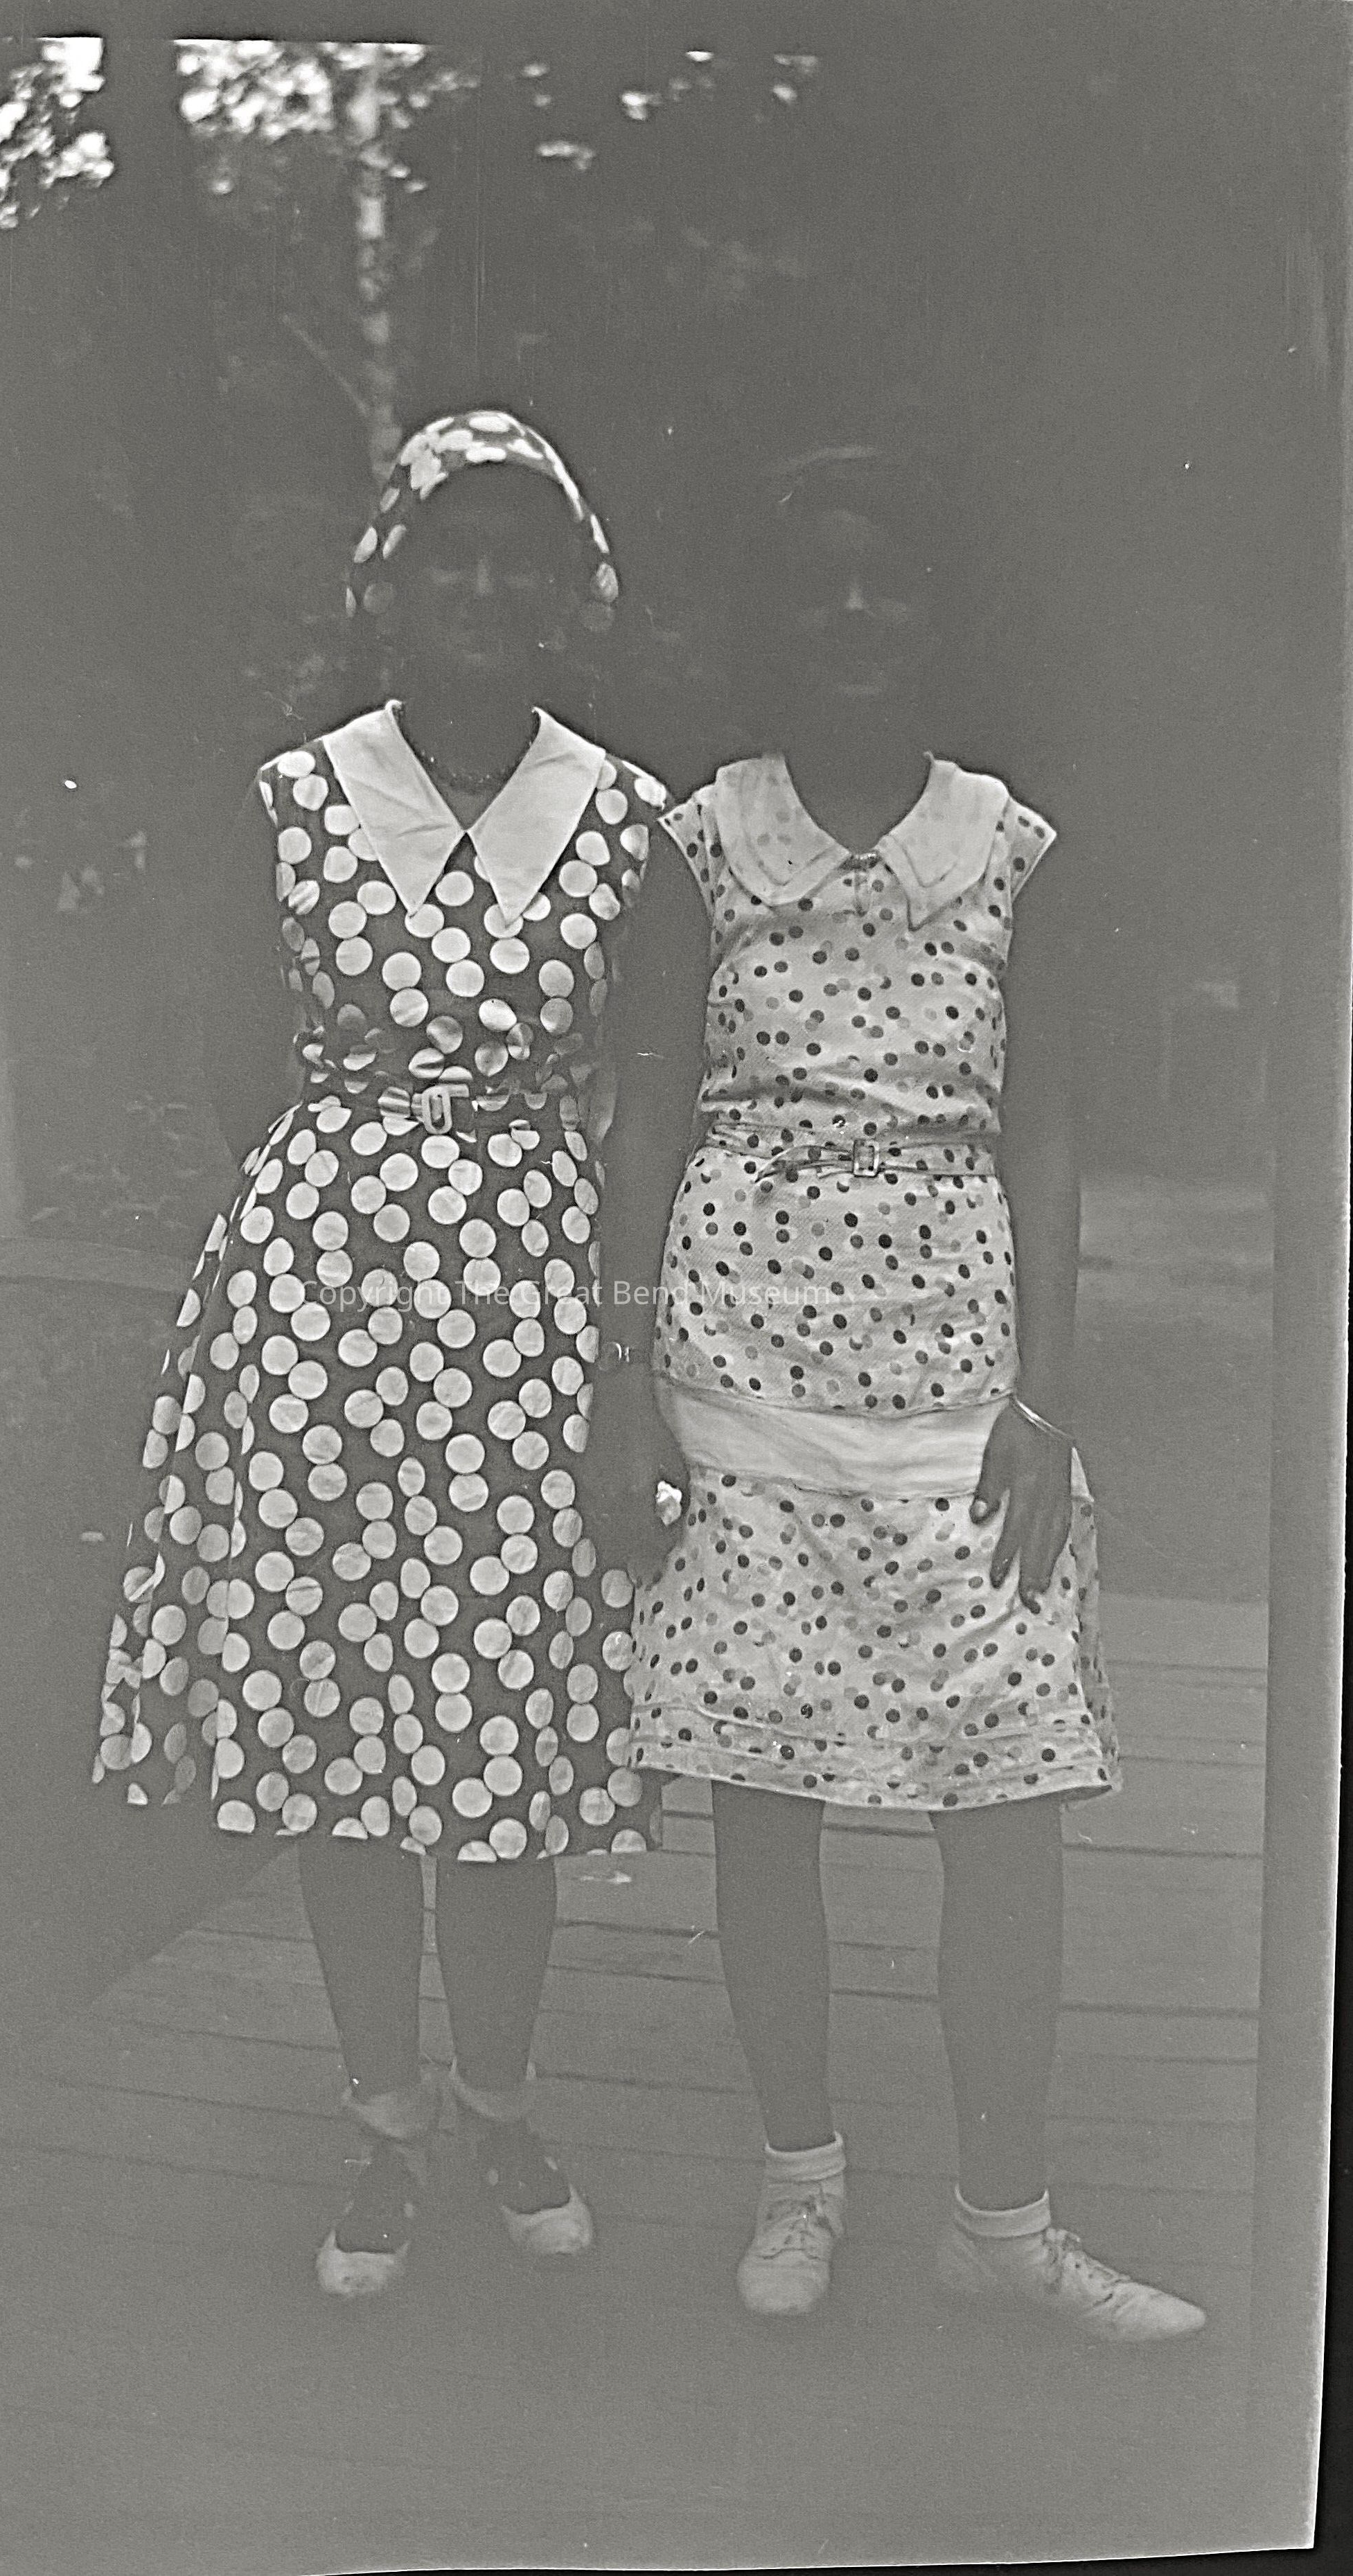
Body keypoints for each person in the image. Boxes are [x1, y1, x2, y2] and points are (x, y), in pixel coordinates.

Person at [580, 437, 1208, 2345]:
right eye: (818, 582)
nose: (854, 611)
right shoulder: (703, 842)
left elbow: (1046, 1125)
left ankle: (1002, 2220)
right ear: (772, 621)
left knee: (1003, 1786)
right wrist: (624, 1372)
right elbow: (647, 1102)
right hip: (741, 1354)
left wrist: (1047, 1395)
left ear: (939, 616)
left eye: (890, 579)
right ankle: (801, 2184)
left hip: (959, 1371)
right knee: (761, 1790)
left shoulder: (1007, 846)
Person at [96, 410, 666, 2299]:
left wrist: (606, 1333)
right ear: (390, 584)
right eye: (449, 552)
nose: (482, 586)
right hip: (323, 1298)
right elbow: (226, 1050)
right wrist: (331, 1220)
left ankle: (500, 2103)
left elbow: (646, 1091)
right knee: (339, 1717)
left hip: (528, 1310)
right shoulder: (296, 796)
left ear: (566, 587)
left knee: (496, 1713)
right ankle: (386, 2125)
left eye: (519, 552)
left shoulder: (624, 815)